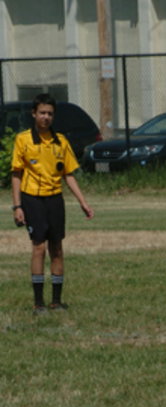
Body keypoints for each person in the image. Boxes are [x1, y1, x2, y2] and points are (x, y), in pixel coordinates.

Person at [11, 93, 94, 314]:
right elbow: (16, 174)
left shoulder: (61, 141)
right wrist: (17, 206)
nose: (46, 117)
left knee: (56, 248)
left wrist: (83, 202)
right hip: (32, 199)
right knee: (39, 247)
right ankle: (38, 303)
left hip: (55, 199)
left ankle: (56, 301)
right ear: (34, 114)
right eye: (42, 113)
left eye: (49, 113)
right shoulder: (23, 140)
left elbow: (69, 174)